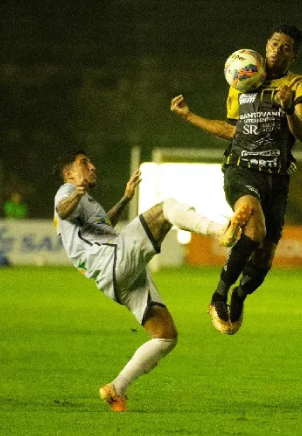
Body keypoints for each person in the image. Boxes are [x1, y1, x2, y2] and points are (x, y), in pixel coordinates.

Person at [53, 150, 248, 412]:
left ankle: (117, 388)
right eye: (84, 163)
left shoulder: (84, 201)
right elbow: (62, 210)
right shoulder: (67, 190)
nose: (92, 166)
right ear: (68, 174)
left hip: (113, 279)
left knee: (166, 336)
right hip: (112, 261)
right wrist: (76, 191)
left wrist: (125, 198)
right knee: (166, 208)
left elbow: (103, 225)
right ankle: (220, 231)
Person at [170, 23, 302, 335]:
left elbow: (301, 133)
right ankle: (218, 296)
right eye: (274, 43)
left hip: (277, 178)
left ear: (293, 55)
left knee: (265, 254)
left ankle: (239, 294)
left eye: (286, 47)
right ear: (266, 45)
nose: (278, 50)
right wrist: (189, 116)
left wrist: (288, 107)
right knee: (254, 224)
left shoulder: (298, 84)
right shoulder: (242, 79)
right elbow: (231, 130)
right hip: (242, 168)